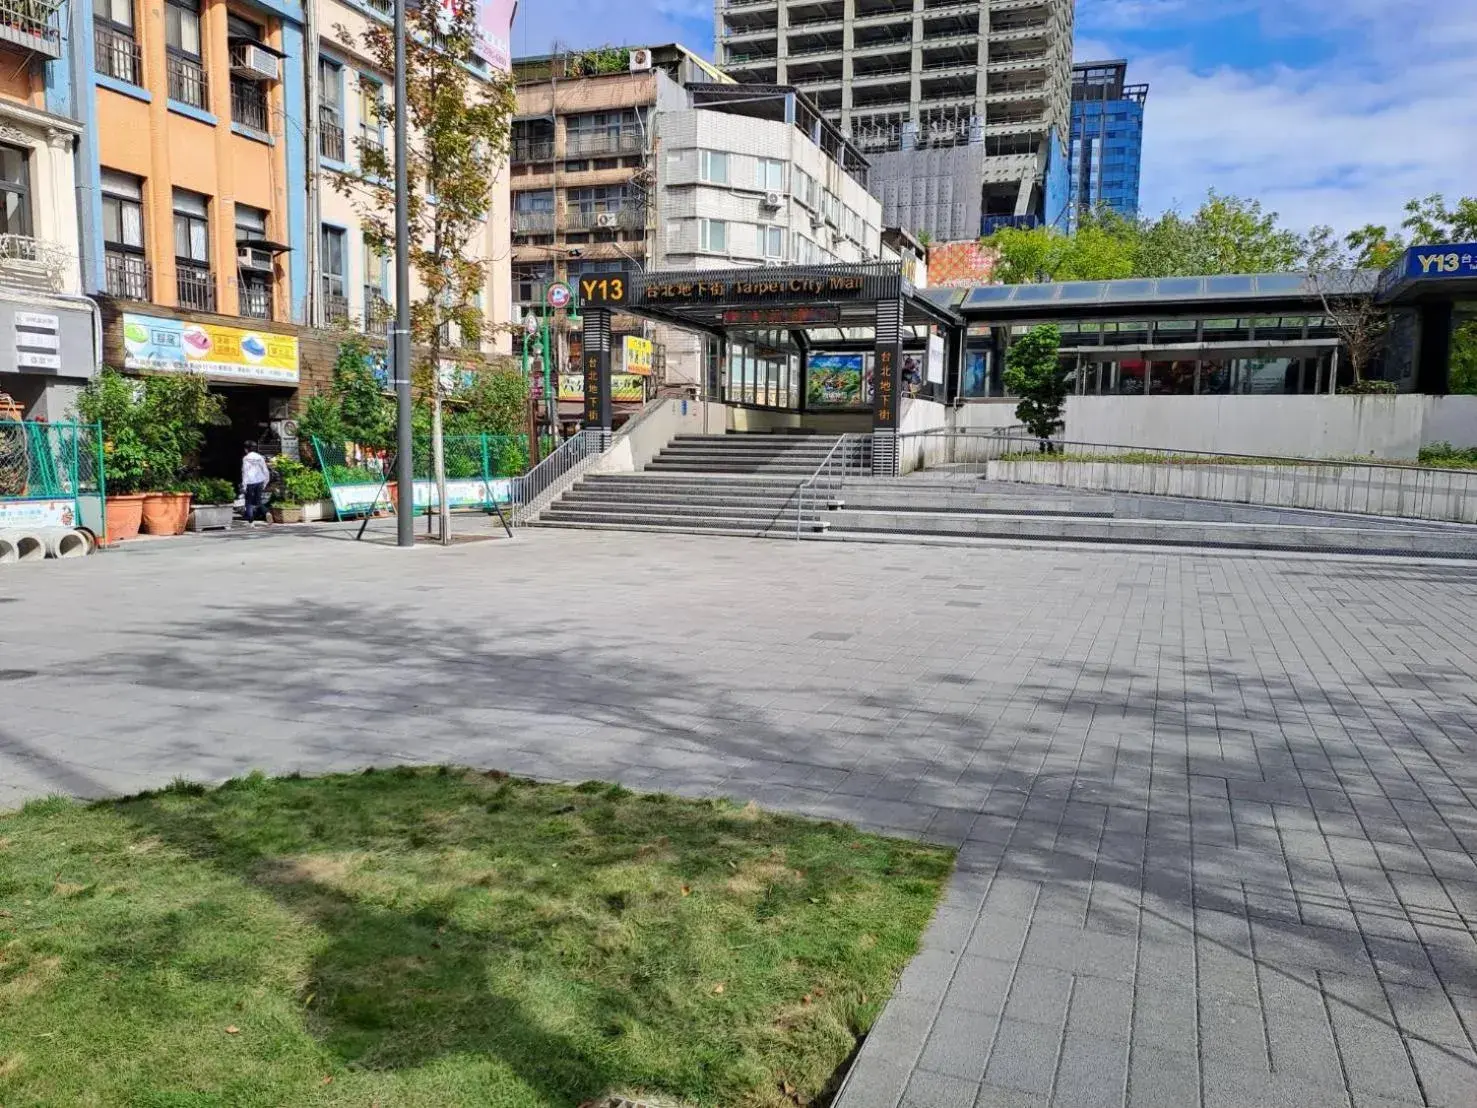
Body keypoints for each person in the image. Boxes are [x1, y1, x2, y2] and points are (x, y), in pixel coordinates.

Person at [241, 440, 270, 527]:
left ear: (246, 449)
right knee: (258, 501)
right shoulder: (260, 457)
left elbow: (245, 472)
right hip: (260, 481)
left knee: (249, 502)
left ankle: (251, 522)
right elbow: (265, 470)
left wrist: (244, 485)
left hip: (250, 482)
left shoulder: (246, 458)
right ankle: (267, 512)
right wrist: (266, 481)